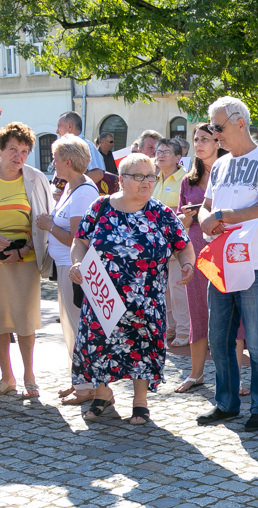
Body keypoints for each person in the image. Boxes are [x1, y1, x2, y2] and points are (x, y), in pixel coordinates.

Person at [69, 153, 194, 424]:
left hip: (145, 299)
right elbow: (80, 241)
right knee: (99, 345)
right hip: (103, 294)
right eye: (138, 176)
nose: (146, 182)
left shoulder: (161, 212)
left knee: (142, 347)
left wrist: (187, 265)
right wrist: (77, 263)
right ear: (122, 180)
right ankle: (102, 395)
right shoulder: (100, 207)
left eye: (150, 176)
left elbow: (183, 246)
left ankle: (140, 401)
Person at [196, 96, 258, 433]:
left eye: (217, 127)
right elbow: (205, 205)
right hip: (220, 261)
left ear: (239, 122)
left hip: (256, 263)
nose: (214, 133)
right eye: (211, 128)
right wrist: (206, 218)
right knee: (218, 339)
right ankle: (227, 403)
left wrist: (222, 217)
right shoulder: (219, 165)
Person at [174, 123, 247, 394]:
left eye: (205, 138)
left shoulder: (232, 174)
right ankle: (196, 373)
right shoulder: (187, 180)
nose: (199, 143)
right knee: (197, 311)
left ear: (218, 142)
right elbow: (180, 220)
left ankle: (236, 377)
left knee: (231, 314)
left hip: (226, 248)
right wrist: (187, 217)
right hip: (196, 248)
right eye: (196, 139)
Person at [36, 135, 100, 405]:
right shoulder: (72, 187)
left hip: (75, 269)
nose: (52, 163)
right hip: (65, 267)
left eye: (55, 158)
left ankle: (87, 387)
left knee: (77, 327)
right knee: (71, 327)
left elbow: (78, 238)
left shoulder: (84, 191)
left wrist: (49, 225)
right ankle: (80, 381)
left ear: (69, 161)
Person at [0, 122, 54, 398]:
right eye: (12, 149)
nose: (18, 156)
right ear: (1, 150)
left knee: (24, 320)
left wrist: (22, 250)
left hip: (26, 258)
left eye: (23, 151)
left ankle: (29, 374)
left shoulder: (34, 178)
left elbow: (43, 219)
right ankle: (7, 376)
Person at [153, 138, 190, 348]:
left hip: (177, 245)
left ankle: (185, 331)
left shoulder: (185, 179)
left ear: (178, 157)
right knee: (163, 290)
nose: (161, 154)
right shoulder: (154, 179)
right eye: (158, 151)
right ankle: (170, 328)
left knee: (178, 289)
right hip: (157, 246)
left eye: (166, 151)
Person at [56, 112, 105, 185]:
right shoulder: (64, 148)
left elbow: (97, 174)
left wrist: (71, 189)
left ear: (70, 126)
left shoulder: (86, 146)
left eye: (59, 126)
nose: (57, 131)